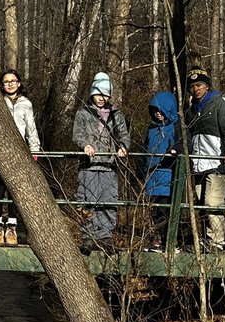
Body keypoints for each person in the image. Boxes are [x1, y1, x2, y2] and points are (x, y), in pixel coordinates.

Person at [0, 68, 42, 246]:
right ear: (2, 85)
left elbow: (31, 128)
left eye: (13, 81)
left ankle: (12, 226)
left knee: (15, 189)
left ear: (18, 83)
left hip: (19, 153)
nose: (10, 84)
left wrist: (34, 150)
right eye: (6, 82)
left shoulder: (26, 103)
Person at [183, 68, 225, 252]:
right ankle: (205, 241)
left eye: (199, 85)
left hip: (218, 163)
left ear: (207, 86)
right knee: (202, 204)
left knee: (212, 202)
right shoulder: (191, 110)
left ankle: (217, 242)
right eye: (192, 86)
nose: (196, 89)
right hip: (199, 164)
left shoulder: (219, 102)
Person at [72, 72, 130, 250]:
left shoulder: (116, 114)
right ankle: (88, 236)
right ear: (92, 93)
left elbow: (123, 134)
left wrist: (123, 146)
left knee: (108, 200)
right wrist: (85, 145)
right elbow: (77, 134)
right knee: (87, 199)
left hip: (109, 165)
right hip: (88, 165)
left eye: (105, 94)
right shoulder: (83, 113)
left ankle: (105, 236)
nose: (101, 98)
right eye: (98, 94)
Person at [142, 90, 179, 249]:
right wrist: (141, 171)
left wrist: (175, 151)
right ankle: (155, 239)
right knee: (153, 211)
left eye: (161, 110)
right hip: (151, 176)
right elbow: (145, 151)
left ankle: (168, 240)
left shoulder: (176, 127)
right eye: (155, 110)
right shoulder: (151, 129)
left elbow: (184, 145)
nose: (158, 114)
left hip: (168, 175)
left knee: (166, 210)